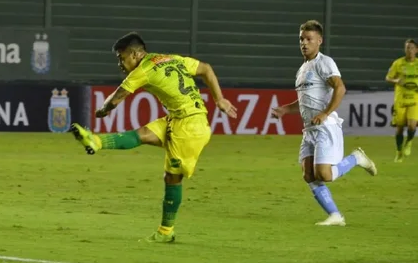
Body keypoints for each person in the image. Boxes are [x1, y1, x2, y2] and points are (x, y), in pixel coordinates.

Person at [70, 32, 237, 242]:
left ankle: (166, 232)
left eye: (122, 58)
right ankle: (95, 141)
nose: (120, 64)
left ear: (135, 54)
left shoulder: (143, 70)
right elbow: (206, 69)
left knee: (173, 178)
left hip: (189, 128)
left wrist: (102, 110)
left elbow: (119, 96)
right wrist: (219, 99)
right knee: (143, 135)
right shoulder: (171, 58)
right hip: (179, 119)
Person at [272, 20, 377, 226]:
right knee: (308, 174)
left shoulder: (324, 62)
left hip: (325, 127)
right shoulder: (302, 69)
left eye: (309, 39)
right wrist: (286, 109)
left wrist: (326, 113)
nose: (304, 43)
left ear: (319, 41)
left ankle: (356, 158)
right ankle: (336, 216)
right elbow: (304, 100)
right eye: (301, 39)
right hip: (309, 129)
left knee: (325, 175)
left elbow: (340, 88)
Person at [385, 39, 418, 162]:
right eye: (407, 48)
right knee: (399, 128)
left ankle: (408, 142)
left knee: (412, 125)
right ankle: (399, 152)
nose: (409, 50)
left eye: (411, 48)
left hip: (415, 99)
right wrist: (396, 81)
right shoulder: (398, 63)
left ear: (416, 50)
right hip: (400, 99)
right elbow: (388, 77)